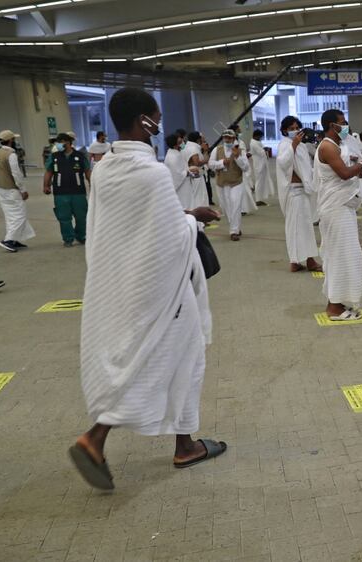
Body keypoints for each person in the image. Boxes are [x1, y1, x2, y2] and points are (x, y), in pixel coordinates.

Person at [68, 87, 226, 491]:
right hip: (161, 288)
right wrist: (197, 219)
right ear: (144, 122)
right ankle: (107, 438)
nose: (159, 123)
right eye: (155, 117)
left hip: (122, 282)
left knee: (155, 357)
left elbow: (130, 224)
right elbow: (170, 236)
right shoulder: (152, 172)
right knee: (180, 357)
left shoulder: (105, 168)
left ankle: (175, 441)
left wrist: (185, 213)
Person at [314, 109, 362, 320]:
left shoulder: (340, 146)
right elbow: (345, 174)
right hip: (335, 208)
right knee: (339, 255)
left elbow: (353, 171)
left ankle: (337, 301)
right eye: (342, 123)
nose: (346, 126)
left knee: (345, 255)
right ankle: (334, 308)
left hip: (343, 205)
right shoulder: (327, 146)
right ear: (331, 125)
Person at [275, 116, 322, 273]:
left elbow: (306, 168)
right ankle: (305, 261)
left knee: (304, 227)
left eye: (297, 127)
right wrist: (293, 146)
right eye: (291, 128)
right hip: (293, 192)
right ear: (284, 130)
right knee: (296, 227)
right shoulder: (285, 145)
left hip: (303, 190)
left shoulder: (301, 146)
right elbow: (283, 163)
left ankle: (298, 261)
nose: (294, 131)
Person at [43, 132, 91, 247]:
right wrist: (46, 185)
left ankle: (81, 236)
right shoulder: (54, 157)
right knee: (64, 217)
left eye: (61, 142)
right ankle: (68, 238)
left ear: (68, 142)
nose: (59, 144)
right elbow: (49, 172)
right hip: (60, 192)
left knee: (81, 216)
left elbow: (87, 172)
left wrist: (92, 184)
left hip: (78, 192)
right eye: (58, 142)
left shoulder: (80, 156)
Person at [0, 129, 35, 253]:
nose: (15, 141)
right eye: (13, 139)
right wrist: (23, 190)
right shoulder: (11, 155)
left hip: (1, 189)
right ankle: (8, 240)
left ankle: (14, 240)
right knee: (19, 215)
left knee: (10, 216)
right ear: (10, 141)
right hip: (11, 190)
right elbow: (16, 174)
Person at [208, 130, 249, 240]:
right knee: (226, 208)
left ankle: (233, 231)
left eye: (230, 138)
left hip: (236, 182)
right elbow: (210, 164)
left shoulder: (240, 151)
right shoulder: (217, 150)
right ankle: (235, 226)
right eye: (225, 138)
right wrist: (221, 163)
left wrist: (237, 157)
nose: (227, 140)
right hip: (221, 183)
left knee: (236, 206)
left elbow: (246, 167)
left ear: (234, 138)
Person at [164, 133, 196, 208]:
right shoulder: (172, 158)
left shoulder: (177, 153)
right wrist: (189, 171)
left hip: (185, 184)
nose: (183, 143)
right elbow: (177, 176)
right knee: (186, 206)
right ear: (175, 145)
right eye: (180, 142)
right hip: (181, 188)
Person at [181, 132, 210, 209]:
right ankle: (200, 216)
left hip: (193, 175)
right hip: (196, 176)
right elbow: (196, 163)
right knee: (199, 197)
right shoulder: (193, 148)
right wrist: (206, 158)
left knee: (197, 196)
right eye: (202, 138)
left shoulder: (187, 146)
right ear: (198, 139)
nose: (203, 139)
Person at [249, 129, 274, 206]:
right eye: (260, 136)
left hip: (262, 164)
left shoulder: (257, 142)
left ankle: (260, 198)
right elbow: (261, 152)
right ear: (255, 136)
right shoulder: (253, 143)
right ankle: (258, 200)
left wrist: (264, 149)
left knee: (262, 181)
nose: (261, 138)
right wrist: (265, 149)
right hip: (259, 165)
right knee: (259, 182)